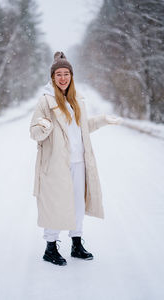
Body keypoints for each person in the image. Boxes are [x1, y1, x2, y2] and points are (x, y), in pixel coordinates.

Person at [30, 51, 122, 266]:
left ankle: (76, 243)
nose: (63, 78)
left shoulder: (76, 100)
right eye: (58, 74)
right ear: (52, 77)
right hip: (56, 164)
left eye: (67, 73)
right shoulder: (46, 101)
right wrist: (43, 126)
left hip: (79, 162)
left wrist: (102, 120)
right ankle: (50, 248)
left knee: (78, 204)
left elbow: (82, 128)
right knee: (55, 204)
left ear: (71, 76)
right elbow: (34, 132)